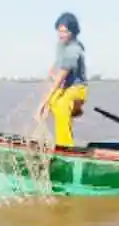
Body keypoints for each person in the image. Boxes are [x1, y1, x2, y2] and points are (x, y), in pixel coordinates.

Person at [36, 12, 88, 147]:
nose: (61, 35)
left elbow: (60, 78)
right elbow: (56, 68)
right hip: (66, 88)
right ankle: (73, 113)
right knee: (53, 102)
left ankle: (65, 147)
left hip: (78, 89)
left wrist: (42, 103)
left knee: (61, 105)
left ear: (73, 32)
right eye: (59, 31)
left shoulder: (74, 50)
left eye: (65, 32)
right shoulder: (61, 46)